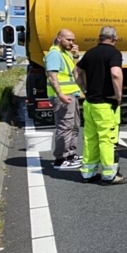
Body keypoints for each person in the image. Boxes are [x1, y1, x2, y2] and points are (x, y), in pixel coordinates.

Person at [76, 26, 127, 185]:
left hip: (90, 103)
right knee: (107, 140)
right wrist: (118, 95)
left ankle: (88, 173)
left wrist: (84, 89)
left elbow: (76, 72)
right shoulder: (114, 53)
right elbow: (115, 74)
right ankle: (110, 175)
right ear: (115, 38)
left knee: (90, 138)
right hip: (105, 105)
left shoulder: (90, 53)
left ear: (99, 37)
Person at [45, 29, 82, 170]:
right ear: (59, 38)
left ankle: (70, 154)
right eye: (68, 39)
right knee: (64, 127)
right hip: (63, 96)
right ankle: (61, 159)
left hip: (71, 94)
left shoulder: (65, 54)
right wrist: (60, 94)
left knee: (74, 126)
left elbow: (73, 72)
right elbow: (52, 76)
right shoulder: (54, 54)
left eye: (73, 40)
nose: (71, 42)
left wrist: (76, 56)